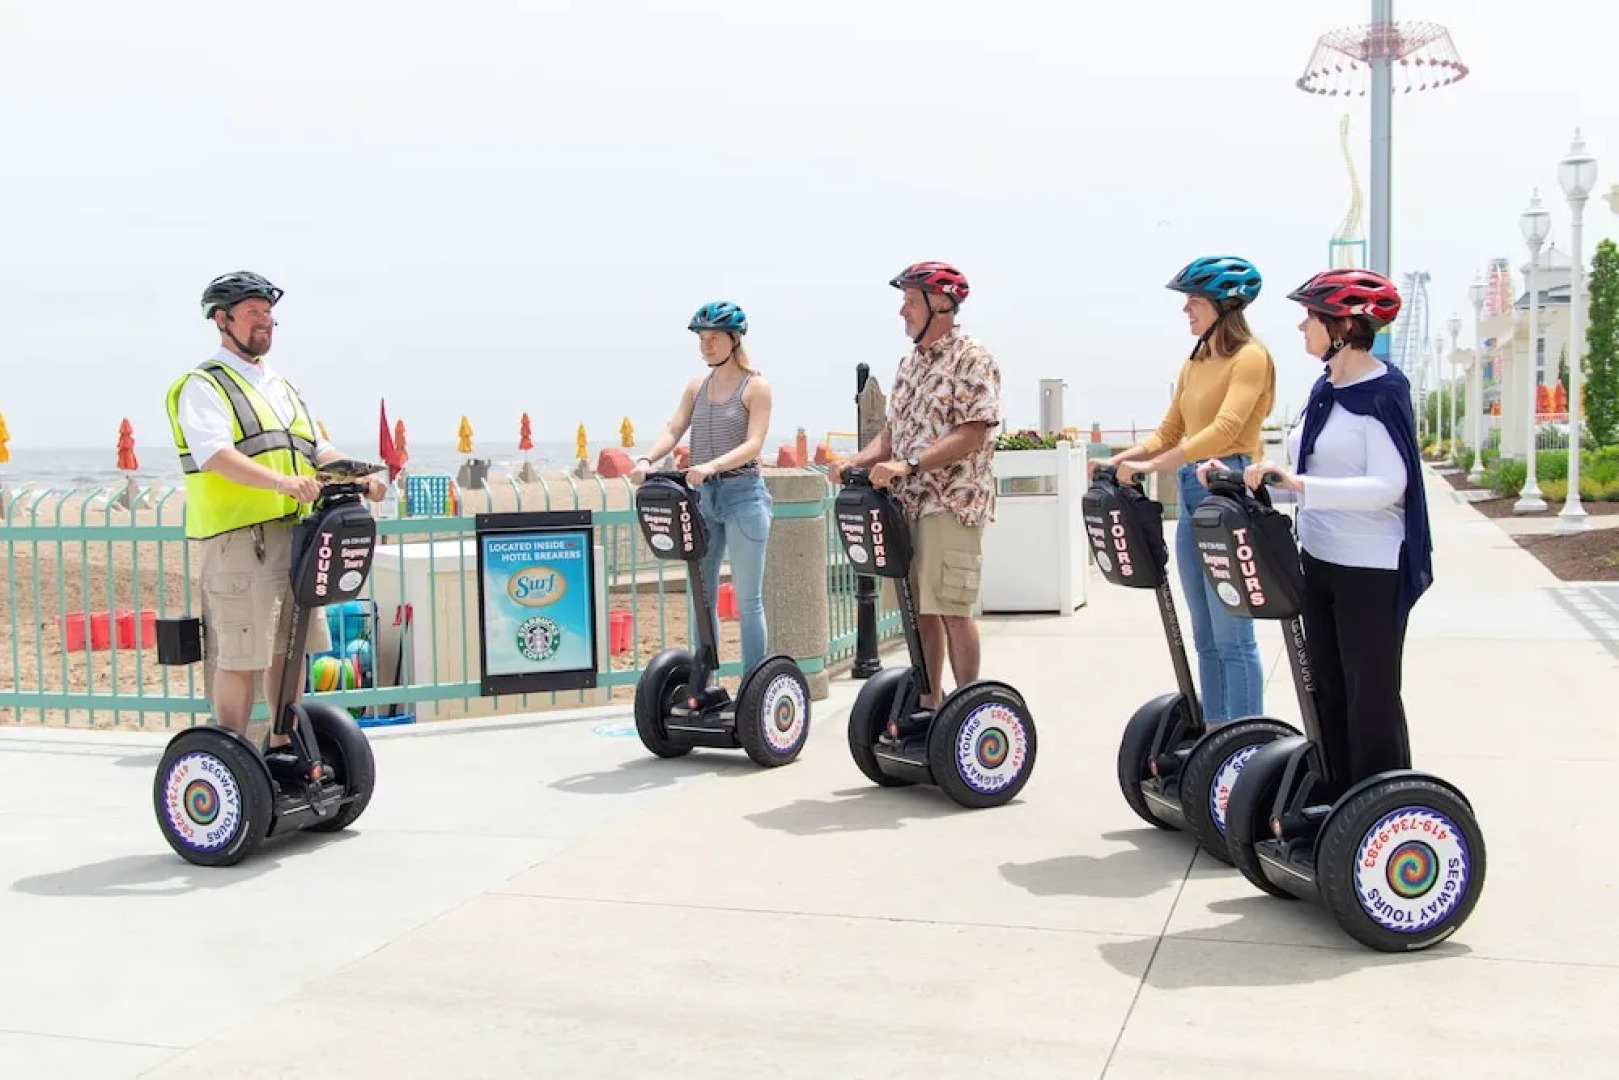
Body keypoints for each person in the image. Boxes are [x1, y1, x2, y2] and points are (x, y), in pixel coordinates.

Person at [1205, 268, 1431, 795]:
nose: (1303, 325)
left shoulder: (1382, 390)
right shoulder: (1324, 390)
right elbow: (1301, 483)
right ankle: (1338, 800)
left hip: (1371, 569)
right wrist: (1238, 480)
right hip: (1320, 560)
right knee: (1326, 688)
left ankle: (1383, 806)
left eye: (1311, 316)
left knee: (1369, 694)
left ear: (1345, 325)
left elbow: (1391, 486)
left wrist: (1301, 485)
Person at [166, 271, 386, 755]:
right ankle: (235, 754)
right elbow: (214, 454)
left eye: (268, 314)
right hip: (240, 539)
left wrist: (362, 477)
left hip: (294, 535)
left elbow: (314, 446)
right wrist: (283, 482)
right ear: (222, 321)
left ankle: (284, 745)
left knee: (289, 651)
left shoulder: (279, 385)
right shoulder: (204, 385)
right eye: (252, 313)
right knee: (241, 653)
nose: (265, 322)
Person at [1095, 255, 1275, 724]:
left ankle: (1247, 742)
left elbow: (1226, 427)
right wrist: (1118, 462)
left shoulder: (1250, 358)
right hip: (1193, 493)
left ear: (1222, 304)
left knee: (1234, 636)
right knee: (1205, 636)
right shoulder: (1195, 362)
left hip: (1228, 486)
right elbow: (1168, 432)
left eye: (1193, 301)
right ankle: (1217, 740)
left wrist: (1156, 465)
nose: (1185, 310)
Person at [831, 261, 1002, 715]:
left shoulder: (971, 357)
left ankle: (970, 708)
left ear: (941, 305)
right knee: (920, 611)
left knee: (951, 609)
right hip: (907, 505)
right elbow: (892, 434)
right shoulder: (909, 363)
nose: (902, 311)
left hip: (952, 502)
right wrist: (859, 460)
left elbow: (973, 432)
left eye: (910, 301)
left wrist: (907, 464)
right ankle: (930, 703)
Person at [630, 301, 776, 679]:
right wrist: (646, 460)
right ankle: (702, 680)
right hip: (703, 500)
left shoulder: (755, 386)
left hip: (744, 495)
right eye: (701, 338)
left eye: (713, 338)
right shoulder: (697, 386)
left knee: (748, 600)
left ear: (734, 339)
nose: (705, 345)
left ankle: (752, 685)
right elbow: (674, 428)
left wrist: (712, 465)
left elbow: (754, 443)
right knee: (703, 596)